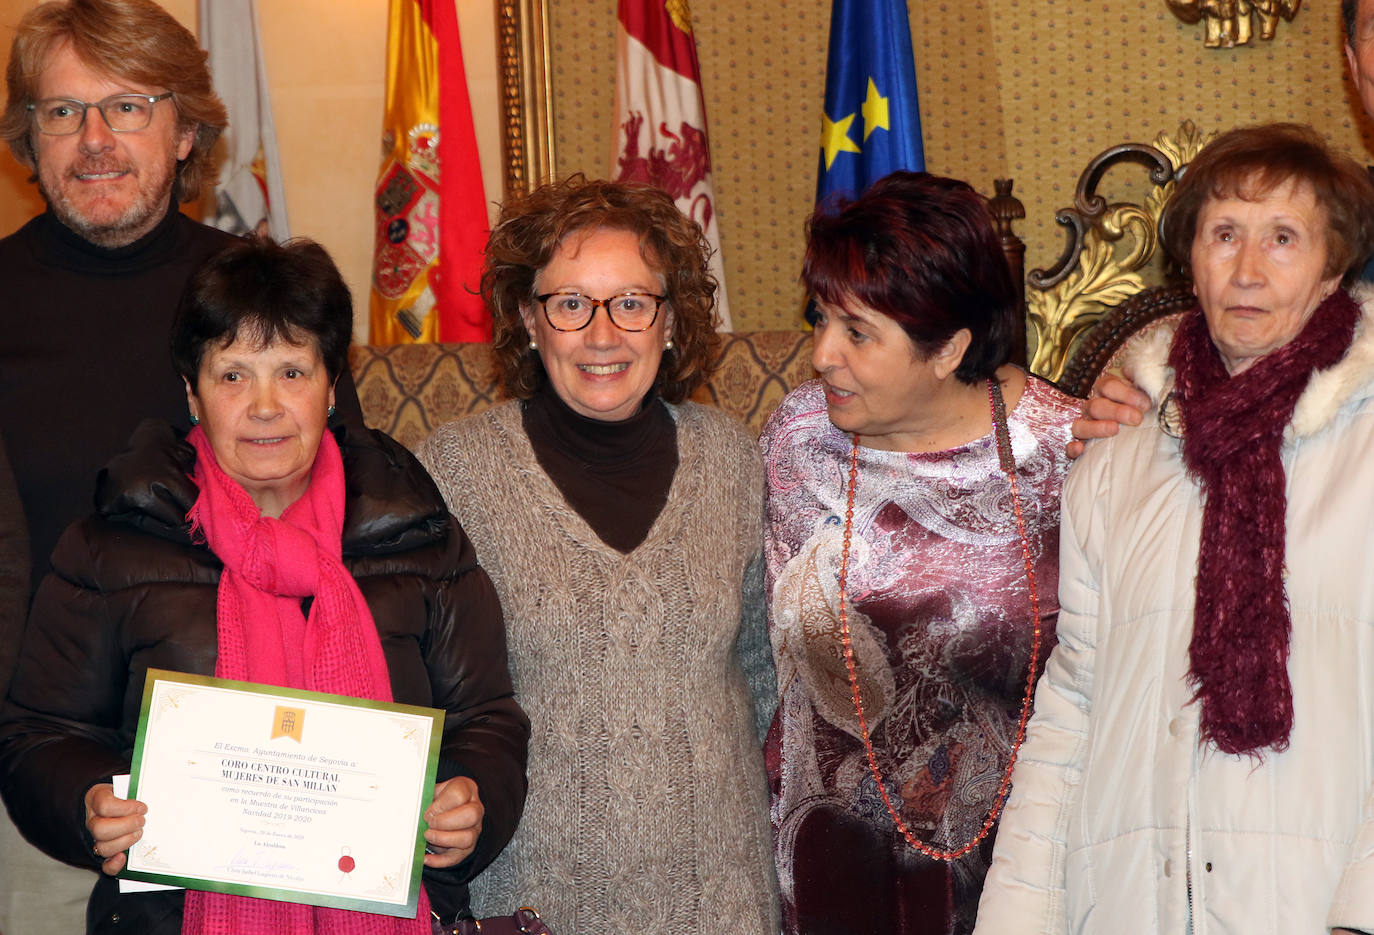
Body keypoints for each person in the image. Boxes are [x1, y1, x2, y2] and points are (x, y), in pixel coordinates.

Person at [0, 237, 529, 935]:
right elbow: (39, 736)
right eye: (233, 376)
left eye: (291, 370)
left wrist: (471, 799)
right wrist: (88, 801)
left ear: (333, 385)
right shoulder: (113, 545)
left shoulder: (420, 537)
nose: (265, 405)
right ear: (192, 392)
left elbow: (486, 718)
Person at [0, 3, 364, 925]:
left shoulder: (266, 293)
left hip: (268, 783)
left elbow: (351, 519)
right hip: (37, 790)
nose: (94, 141)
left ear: (189, 128)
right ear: (26, 133)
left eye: (128, 107)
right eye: (61, 112)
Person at [973, 123, 1374, 935]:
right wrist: (1018, 917)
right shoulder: (1116, 451)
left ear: (1334, 268)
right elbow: (1071, 710)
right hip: (1127, 900)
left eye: (1284, 239)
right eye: (1223, 234)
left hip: (1314, 900)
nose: (1248, 269)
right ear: (1191, 258)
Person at [415, 176, 779, 934]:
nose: (602, 334)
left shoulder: (734, 460)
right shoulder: (451, 474)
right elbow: (418, 690)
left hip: (720, 900)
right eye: (571, 303)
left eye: (632, 303)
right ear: (528, 318)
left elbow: (763, 676)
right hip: (534, 900)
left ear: (671, 320)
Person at [759, 171, 1079, 935]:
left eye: (858, 332)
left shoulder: (1069, 456)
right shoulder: (799, 439)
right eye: (821, 319)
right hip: (823, 868)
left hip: (1019, 878)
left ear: (951, 349)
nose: (823, 354)